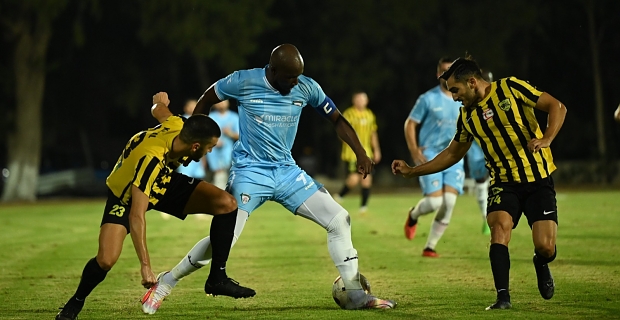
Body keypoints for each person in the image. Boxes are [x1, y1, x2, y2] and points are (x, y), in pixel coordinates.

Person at [140, 44, 396, 313]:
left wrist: (360, 152)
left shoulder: (306, 87)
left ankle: (355, 293)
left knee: (339, 220)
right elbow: (206, 100)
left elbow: (337, 120)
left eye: (298, 77)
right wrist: (195, 139)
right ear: (272, 70)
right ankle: (165, 283)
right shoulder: (243, 80)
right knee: (224, 240)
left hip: (288, 172)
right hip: (249, 172)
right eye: (289, 77)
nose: (295, 83)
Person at [56, 92, 255, 320]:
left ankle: (217, 277)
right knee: (106, 259)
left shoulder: (178, 124)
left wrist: (159, 102)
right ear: (195, 146)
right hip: (126, 196)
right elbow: (137, 215)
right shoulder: (150, 160)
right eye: (209, 148)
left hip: (163, 181)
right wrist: (145, 266)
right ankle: (77, 300)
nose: (210, 152)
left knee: (227, 203)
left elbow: (159, 110)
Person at [392, 56, 567, 310]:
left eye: (456, 90)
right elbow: (452, 154)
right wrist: (413, 171)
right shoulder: (467, 117)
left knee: (545, 247)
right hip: (503, 183)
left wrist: (548, 138)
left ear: (472, 82)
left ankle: (541, 262)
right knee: (498, 229)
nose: (454, 97)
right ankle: (502, 298)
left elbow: (557, 107)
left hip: (537, 179)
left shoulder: (511, 88)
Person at [402, 57, 464, 258]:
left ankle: (430, 246)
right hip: (430, 155)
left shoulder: (463, 99)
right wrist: (413, 150)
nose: (447, 76)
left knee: (449, 202)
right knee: (435, 203)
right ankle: (413, 215)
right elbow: (410, 123)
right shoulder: (428, 99)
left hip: (454, 156)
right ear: (439, 74)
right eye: (444, 71)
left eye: (451, 71)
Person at [334, 91, 381, 213]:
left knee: (367, 177)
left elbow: (373, 133)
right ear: (354, 101)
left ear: (367, 101)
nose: (361, 101)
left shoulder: (369, 115)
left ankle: (363, 207)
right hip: (352, 153)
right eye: (359, 99)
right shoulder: (349, 114)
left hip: (367, 152)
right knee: (354, 179)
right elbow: (341, 129)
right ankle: (340, 196)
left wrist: (376, 150)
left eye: (363, 99)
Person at [466, 70, 494, 236]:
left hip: (494, 147)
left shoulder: (498, 99)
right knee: (481, 182)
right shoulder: (469, 104)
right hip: (476, 150)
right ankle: (485, 218)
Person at [207, 99, 239, 189]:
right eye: (219, 102)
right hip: (214, 151)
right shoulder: (211, 117)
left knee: (228, 173)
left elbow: (239, 135)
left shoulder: (234, 117)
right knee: (218, 173)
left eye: (224, 101)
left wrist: (229, 133)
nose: (221, 104)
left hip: (229, 151)